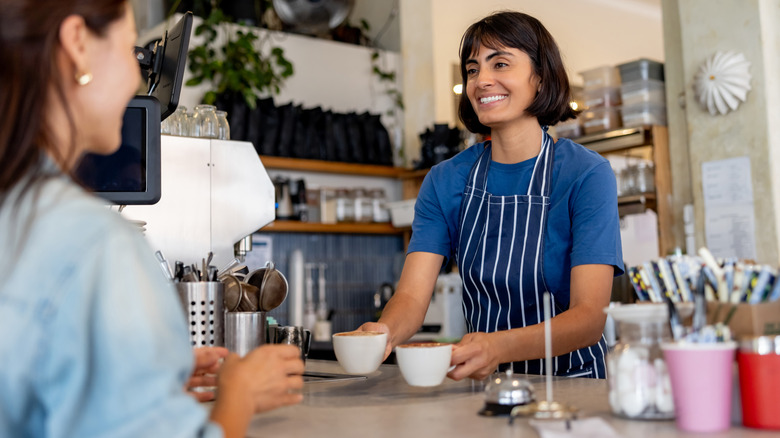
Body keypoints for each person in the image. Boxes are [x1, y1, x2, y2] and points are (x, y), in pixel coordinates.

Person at [0, 1, 303, 437]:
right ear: (77, 45)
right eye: (132, 52)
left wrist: (136, 386)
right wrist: (241, 394)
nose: (137, 79)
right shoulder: (93, 244)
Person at [359, 11, 623, 380]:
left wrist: (497, 347)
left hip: (572, 388)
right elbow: (411, 298)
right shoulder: (445, 180)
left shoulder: (585, 174)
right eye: (472, 69)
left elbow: (589, 318)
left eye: (500, 63)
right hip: (486, 388)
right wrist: (383, 331)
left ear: (540, 78)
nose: (482, 80)